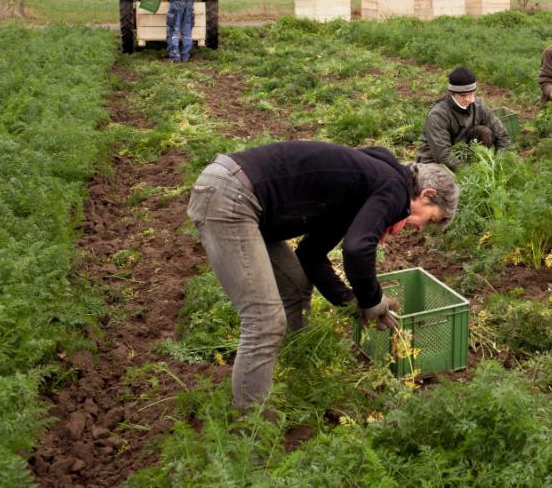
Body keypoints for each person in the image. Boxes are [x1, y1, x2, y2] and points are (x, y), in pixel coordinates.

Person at [187, 140, 459, 410]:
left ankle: (298, 372)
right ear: (426, 194)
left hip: (245, 201)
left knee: (295, 286)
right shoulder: (395, 187)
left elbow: (310, 254)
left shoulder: (365, 186)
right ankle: (253, 429)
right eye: (431, 219)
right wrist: (372, 301)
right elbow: (357, 249)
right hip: (233, 197)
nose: (422, 228)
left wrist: (350, 301)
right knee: (264, 321)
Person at [416, 66, 512, 171]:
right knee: (444, 183)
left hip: (462, 153)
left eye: (471, 94)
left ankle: (476, 165)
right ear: (453, 93)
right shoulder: (438, 115)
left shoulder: (479, 106)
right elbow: (443, 156)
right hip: (435, 162)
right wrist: (471, 172)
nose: (469, 99)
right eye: (463, 96)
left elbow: (502, 136)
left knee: (484, 132)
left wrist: (499, 163)